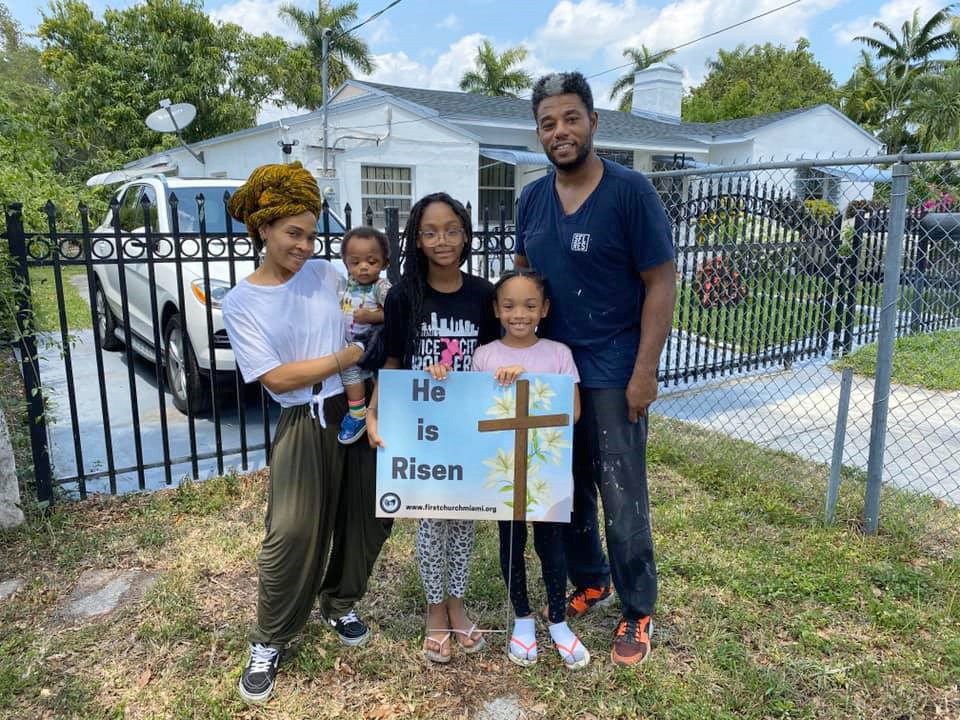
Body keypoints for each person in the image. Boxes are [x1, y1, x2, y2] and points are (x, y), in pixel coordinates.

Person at [515, 72, 677, 667]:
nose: (560, 131)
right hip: (553, 370)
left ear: (593, 122)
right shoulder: (531, 199)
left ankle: (638, 610)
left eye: (570, 118)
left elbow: (660, 283)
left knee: (620, 489)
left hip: (612, 368)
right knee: (565, 485)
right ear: (539, 132)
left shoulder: (632, 192)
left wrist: (645, 372)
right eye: (548, 122)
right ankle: (591, 578)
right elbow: (525, 283)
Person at [221, 162, 392, 703]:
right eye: (293, 232)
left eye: (311, 233)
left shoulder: (327, 275)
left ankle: (339, 603)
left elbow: (363, 313)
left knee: (369, 515)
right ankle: (270, 638)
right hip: (305, 418)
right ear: (263, 228)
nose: (304, 244)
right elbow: (276, 376)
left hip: (359, 406)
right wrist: (346, 355)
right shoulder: (242, 301)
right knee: (291, 531)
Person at [367, 192, 499, 663]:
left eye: (450, 230)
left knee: (465, 518)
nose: (441, 240)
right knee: (430, 518)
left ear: (465, 234)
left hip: (469, 425)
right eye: (430, 232)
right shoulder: (404, 295)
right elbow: (394, 359)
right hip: (422, 426)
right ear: (417, 241)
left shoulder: (485, 296)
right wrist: (375, 411)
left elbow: (494, 360)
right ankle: (433, 610)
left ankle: (457, 606)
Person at [471, 268, 588, 669]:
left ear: (545, 309)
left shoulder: (558, 354)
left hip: (547, 470)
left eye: (529, 305)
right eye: (509, 305)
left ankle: (557, 619)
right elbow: (474, 413)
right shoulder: (484, 356)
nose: (519, 313)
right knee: (511, 543)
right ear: (496, 310)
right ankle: (522, 618)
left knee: (551, 545)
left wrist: (529, 383)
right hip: (504, 472)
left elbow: (571, 411)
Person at [336, 226, 391, 444]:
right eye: (355, 262)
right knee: (353, 375)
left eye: (372, 261)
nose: (364, 268)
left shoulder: (381, 286)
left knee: (352, 373)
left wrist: (371, 316)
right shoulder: (347, 284)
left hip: (371, 344)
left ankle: (358, 414)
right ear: (346, 263)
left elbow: (395, 313)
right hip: (350, 342)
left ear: (385, 263)